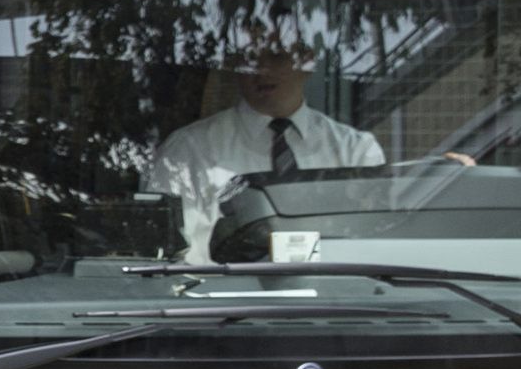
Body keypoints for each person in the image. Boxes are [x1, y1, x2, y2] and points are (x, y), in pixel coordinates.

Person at [146, 35, 386, 260]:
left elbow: (374, 245)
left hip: (341, 299)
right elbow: (166, 257)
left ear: (307, 61)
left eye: (276, 56)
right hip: (224, 300)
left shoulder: (355, 150)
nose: (262, 69)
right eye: (250, 58)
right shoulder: (187, 151)